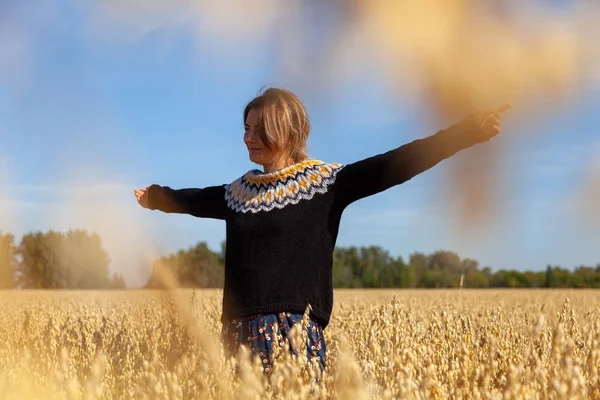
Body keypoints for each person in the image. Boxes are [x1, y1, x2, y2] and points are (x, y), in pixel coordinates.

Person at [134, 87, 509, 373]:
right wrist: (154, 196)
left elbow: (398, 163)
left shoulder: (327, 183)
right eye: (245, 129)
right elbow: (193, 200)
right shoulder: (236, 194)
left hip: (297, 333)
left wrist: (466, 132)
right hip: (237, 334)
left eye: (256, 129)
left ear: (284, 129)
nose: (247, 138)